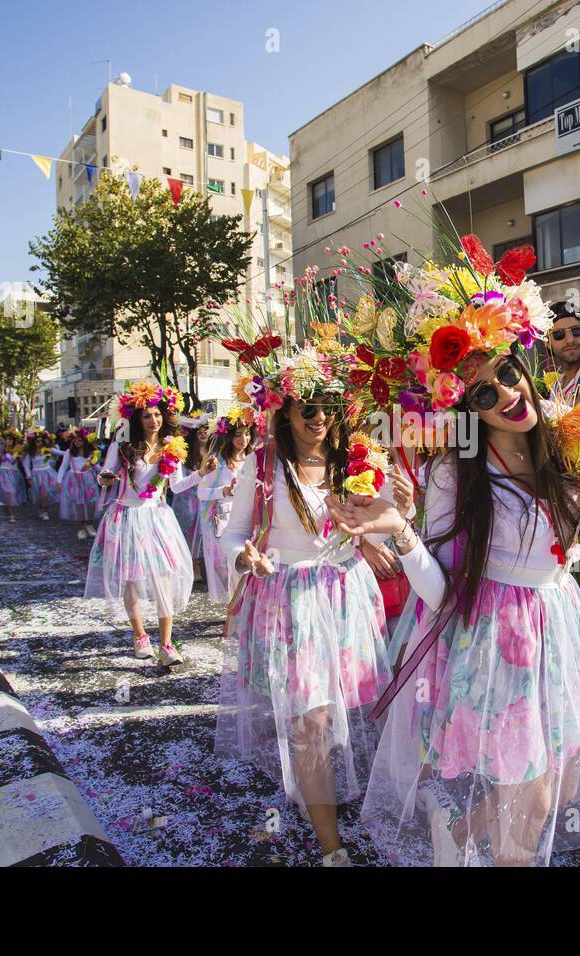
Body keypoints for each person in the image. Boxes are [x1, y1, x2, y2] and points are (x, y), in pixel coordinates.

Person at [334, 336, 580, 867]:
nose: (506, 394)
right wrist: (402, 535)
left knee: (554, 776)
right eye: (483, 396)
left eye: (507, 373)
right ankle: (476, 840)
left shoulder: (561, 430)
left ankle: (458, 829)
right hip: (495, 639)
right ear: (467, 413)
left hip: (556, 625)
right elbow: (440, 594)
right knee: (533, 798)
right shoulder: (454, 471)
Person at [217, 369, 394, 868]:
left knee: (346, 712)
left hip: (344, 597)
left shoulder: (360, 460)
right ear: (286, 412)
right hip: (288, 601)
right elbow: (231, 534)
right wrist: (243, 555)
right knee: (311, 720)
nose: (319, 418)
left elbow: (375, 534)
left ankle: (318, 798)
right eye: (307, 408)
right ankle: (331, 847)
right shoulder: (263, 464)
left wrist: (390, 519)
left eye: (328, 407)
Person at [86, 383, 196, 666]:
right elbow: (104, 474)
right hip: (126, 517)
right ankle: (140, 637)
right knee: (131, 580)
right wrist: (107, 478)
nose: (153, 420)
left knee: (163, 580)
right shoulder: (123, 447)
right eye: (147, 415)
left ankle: (167, 644)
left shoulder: (173, 447)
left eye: (157, 414)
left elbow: (179, 486)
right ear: (137, 419)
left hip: (157, 519)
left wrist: (203, 475)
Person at [190, 414, 254, 602]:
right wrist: (224, 491)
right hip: (224, 520)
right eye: (238, 435)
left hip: (249, 517)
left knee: (248, 565)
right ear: (228, 437)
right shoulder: (218, 462)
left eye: (247, 434)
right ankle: (235, 609)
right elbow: (201, 493)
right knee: (231, 567)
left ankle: (244, 606)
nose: (244, 439)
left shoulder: (252, 459)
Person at [58, 430, 101, 539]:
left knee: (91, 503)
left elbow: (96, 466)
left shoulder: (91, 452)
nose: (77, 442)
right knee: (78, 504)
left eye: (80, 440)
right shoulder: (69, 452)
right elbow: (63, 467)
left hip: (88, 479)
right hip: (74, 480)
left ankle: (89, 524)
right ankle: (80, 528)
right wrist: (59, 481)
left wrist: (106, 471)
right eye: (75, 440)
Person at [24, 431, 60, 521]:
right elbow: (26, 465)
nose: (39, 443)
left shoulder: (47, 450)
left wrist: (69, 451)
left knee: (46, 494)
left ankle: (45, 511)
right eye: (37, 441)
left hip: (47, 474)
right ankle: (40, 508)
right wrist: (28, 476)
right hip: (36, 475)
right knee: (38, 496)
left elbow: (60, 452)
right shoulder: (30, 453)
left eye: (41, 441)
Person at [0, 437, 29, 522]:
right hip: (3, 473)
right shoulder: (1, 450)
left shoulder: (17, 450)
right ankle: (11, 514)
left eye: (11, 440)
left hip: (13, 474)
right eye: (8, 439)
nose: (9, 441)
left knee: (12, 493)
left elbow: (22, 461)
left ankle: (7, 509)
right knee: (9, 492)